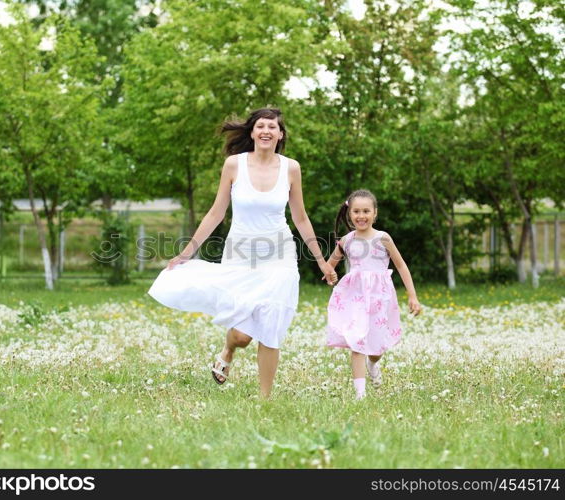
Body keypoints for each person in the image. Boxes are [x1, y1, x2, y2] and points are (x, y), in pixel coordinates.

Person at [148, 108, 337, 398]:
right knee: (243, 335)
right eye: (260, 126)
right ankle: (228, 350)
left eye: (272, 127)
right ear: (251, 133)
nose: (265, 131)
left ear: (280, 134)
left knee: (271, 325)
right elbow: (216, 212)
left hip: (279, 256)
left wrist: (322, 261)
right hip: (240, 254)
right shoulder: (234, 165)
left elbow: (300, 218)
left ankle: (265, 399)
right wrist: (187, 252)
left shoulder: (291, 168)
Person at [325, 189, 421, 400]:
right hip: (356, 298)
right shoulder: (347, 240)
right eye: (356, 211)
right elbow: (330, 264)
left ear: (375, 213)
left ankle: (373, 363)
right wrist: (330, 273)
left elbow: (402, 266)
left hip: (379, 298)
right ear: (350, 214)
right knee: (357, 342)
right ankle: (360, 394)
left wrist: (412, 296)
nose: (361, 216)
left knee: (376, 347)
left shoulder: (383, 238)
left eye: (366, 211)